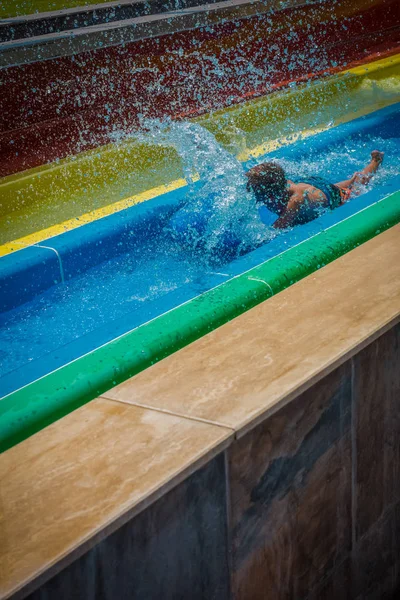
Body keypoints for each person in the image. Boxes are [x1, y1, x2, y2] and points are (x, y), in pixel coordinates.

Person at [246, 150, 384, 229]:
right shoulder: (277, 188)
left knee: (355, 188)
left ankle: (375, 161)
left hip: (329, 196)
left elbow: (277, 228)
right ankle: (349, 180)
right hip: (310, 186)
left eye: (255, 187)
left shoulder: (295, 201)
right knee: (340, 185)